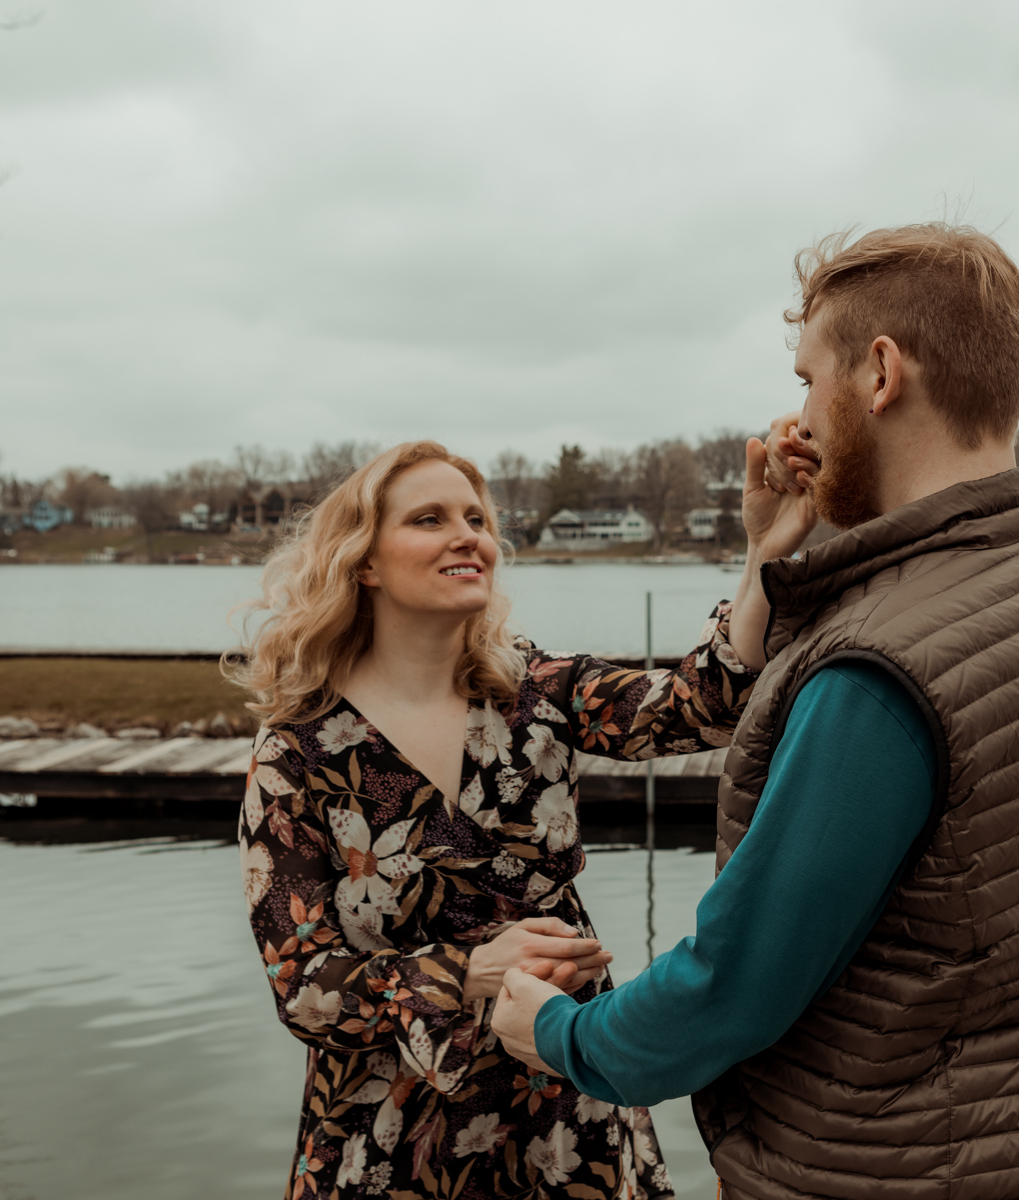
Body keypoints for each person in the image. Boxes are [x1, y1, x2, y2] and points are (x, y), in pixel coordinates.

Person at [492, 224, 1019, 1200]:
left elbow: (731, 988)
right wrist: (775, 555)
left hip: (870, 1171)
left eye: (810, 380)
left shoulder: (879, 675)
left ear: (880, 374)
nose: (799, 417)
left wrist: (561, 1033)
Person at [229, 439, 816, 1200]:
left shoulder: (535, 690)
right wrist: (468, 971)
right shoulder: (297, 752)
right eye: (430, 519)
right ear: (363, 561)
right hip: (391, 1138)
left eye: (476, 518)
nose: (467, 536)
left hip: (567, 1106)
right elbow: (304, 989)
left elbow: (704, 704)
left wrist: (764, 549)